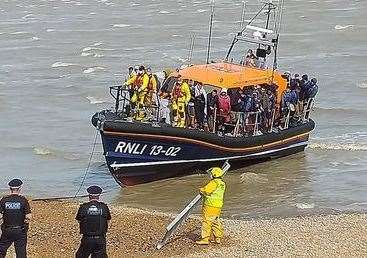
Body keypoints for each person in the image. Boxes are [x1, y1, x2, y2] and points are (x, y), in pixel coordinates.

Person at [76, 186, 111, 258]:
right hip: (100, 238)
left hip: (87, 238)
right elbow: (107, 220)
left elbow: (79, 221)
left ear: (89, 195)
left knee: (80, 256)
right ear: (99, 196)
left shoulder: (83, 207)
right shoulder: (104, 207)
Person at [0, 179, 31, 258]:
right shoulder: (23, 200)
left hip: (7, 230)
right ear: (20, 188)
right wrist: (26, 226)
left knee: (1, 250)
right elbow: (28, 217)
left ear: (10, 189)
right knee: (21, 253)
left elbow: (0, 216)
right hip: (20, 230)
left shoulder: (4, 200)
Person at [196, 167, 226, 245]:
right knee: (215, 221)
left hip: (210, 205)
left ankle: (205, 239)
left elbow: (207, 190)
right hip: (218, 206)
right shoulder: (222, 183)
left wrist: (201, 189)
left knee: (207, 221)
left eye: (211, 174)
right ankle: (218, 238)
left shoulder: (214, 182)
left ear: (213, 175)